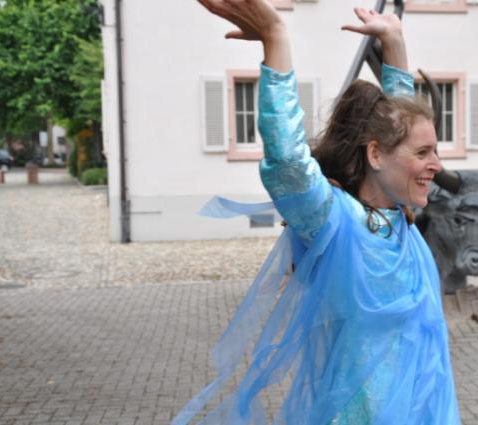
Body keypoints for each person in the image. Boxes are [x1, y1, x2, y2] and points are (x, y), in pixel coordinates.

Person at [173, 0, 461, 423]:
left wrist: (395, 43)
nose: (437, 164)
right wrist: (275, 38)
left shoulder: (400, 218)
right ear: (375, 155)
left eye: (435, 150)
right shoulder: (336, 222)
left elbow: (398, 126)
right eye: (424, 153)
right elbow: (287, 159)